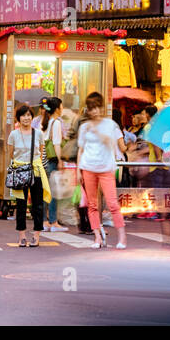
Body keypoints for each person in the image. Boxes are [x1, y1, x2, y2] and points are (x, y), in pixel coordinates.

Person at [76, 93, 126, 249]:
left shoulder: (109, 124)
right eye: (91, 108)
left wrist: (96, 130)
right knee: (92, 205)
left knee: (112, 203)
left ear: (102, 107)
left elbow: (111, 142)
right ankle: (97, 237)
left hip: (105, 168)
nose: (95, 111)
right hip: (88, 167)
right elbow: (81, 149)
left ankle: (122, 237)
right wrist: (79, 169)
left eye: (97, 107)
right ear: (88, 110)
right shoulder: (84, 126)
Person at [7, 103, 48, 247]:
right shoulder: (13, 134)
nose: (26, 118)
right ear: (18, 118)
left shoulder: (38, 133)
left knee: (37, 205)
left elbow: (41, 152)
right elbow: (11, 153)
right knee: (21, 205)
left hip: (36, 171)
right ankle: (22, 236)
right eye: (23, 115)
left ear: (32, 117)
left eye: (29, 115)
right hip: (19, 172)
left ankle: (36, 236)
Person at [38, 97, 68, 232]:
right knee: (53, 192)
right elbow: (56, 143)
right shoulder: (55, 123)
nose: (62, 109)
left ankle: (44, 221)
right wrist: (60, 160)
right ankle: (53, 222)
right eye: (61, 107)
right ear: (57, 108)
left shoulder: (46, 122)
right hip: (51, 160)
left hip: (43, 160)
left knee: (46, 192)